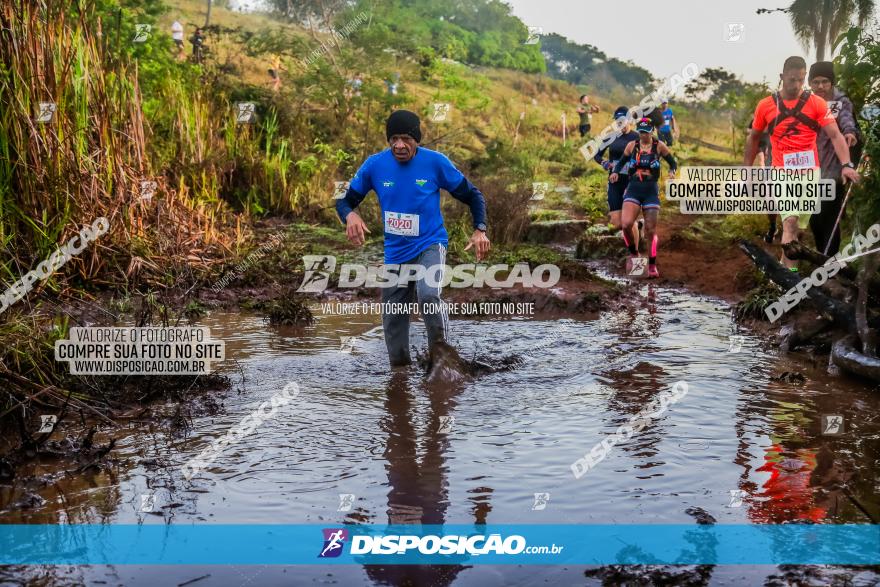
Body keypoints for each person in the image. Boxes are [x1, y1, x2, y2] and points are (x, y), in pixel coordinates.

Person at [336, 110, 490, 367]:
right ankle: (400, 379)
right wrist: (350, 215)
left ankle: (443, 358)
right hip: (395, 254)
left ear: (417, 139)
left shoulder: (436, 163)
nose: (399, 145)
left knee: (428, 294)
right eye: (394, 138)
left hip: (429, 244)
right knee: (393, 326)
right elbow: (344, 199)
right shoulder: (375, 165)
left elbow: (473, 195)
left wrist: (480, 229)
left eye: (406, 138)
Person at [745, 56, 860, 271]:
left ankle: (781, 274)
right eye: (791, 80)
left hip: (811, 173)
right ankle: (790, 282)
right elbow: (753, 138)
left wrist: (847, 164)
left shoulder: (821, 103)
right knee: (789, 223)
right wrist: (747, 169)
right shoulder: (767, 105)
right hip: (781, 171)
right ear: (782, 77)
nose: (796, 85)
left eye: (800, 80)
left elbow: (836, 134)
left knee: (797, 229)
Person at [609, 118, 678, 278]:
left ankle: (652, 265)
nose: (643, 135)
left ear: (652, 131)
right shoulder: (632, 145)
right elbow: (621, 163)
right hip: (633, 188)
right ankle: (634, 254)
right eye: (641, 132)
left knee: (651, 230)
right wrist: (615, 172)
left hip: (650, 191)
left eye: (646, 132)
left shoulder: (659, 146)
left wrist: (672, 172)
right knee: (625, 224)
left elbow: (672, 163)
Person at [808, 61, 861, 256]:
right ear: (810, 84)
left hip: (834, 169)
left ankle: (829, 263)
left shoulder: (840, 102)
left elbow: (847, 120)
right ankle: (822, 255)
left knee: (829, 217)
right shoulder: (808, 102)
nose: (820, 86)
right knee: (813, 218)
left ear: (831, 82)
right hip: (810, 167)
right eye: (815, 82)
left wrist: (849, 132)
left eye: (824, 81)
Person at [594, 106, 640, 249]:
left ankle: (634, 254)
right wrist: (605, 163)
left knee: (629, 222)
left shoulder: (637, 137)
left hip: (631, 182)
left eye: (623, 120)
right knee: (617, 222)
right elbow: (597, 155)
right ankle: (638, 227)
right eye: (617, 121)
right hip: (614, 181)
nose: (620, 124)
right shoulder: (610, 137)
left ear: (629, 120)